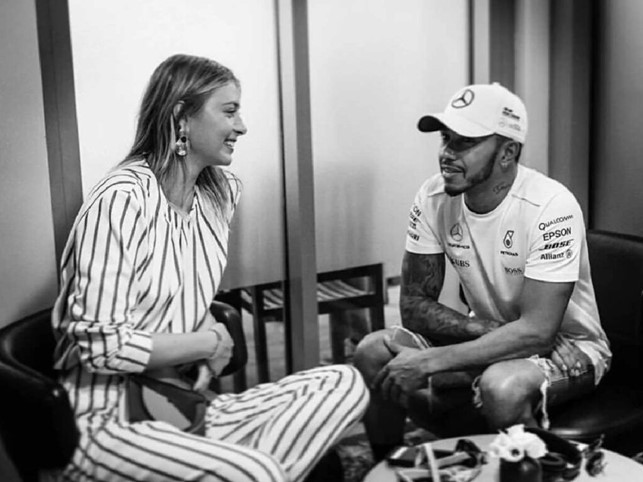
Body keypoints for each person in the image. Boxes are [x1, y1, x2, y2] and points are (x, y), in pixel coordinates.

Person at [46, 54, 368, 482]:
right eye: (229, 111)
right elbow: (101, 347)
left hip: (180, 401)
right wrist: (205, 343)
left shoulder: (219, 195)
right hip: (105, 418)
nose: (242, 126)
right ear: (181, 115)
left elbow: (184, 289)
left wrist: (202, 342)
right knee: (257, 471)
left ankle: (242, 469)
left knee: (345, 383)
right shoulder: (121, 200)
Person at [354, 83, 611, 461]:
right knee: (372, 351)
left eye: (464, 142)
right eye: (446, 139)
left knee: (501, 386)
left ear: (508, 152)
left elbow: (539, 333)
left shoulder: (551, 205)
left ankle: (538, 468)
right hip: (494, 335)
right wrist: (500, 332)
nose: (446, 154)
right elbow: (413, 305)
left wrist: (431, 361)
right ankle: (387, 465)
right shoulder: (433, 197)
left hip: (574, 349)